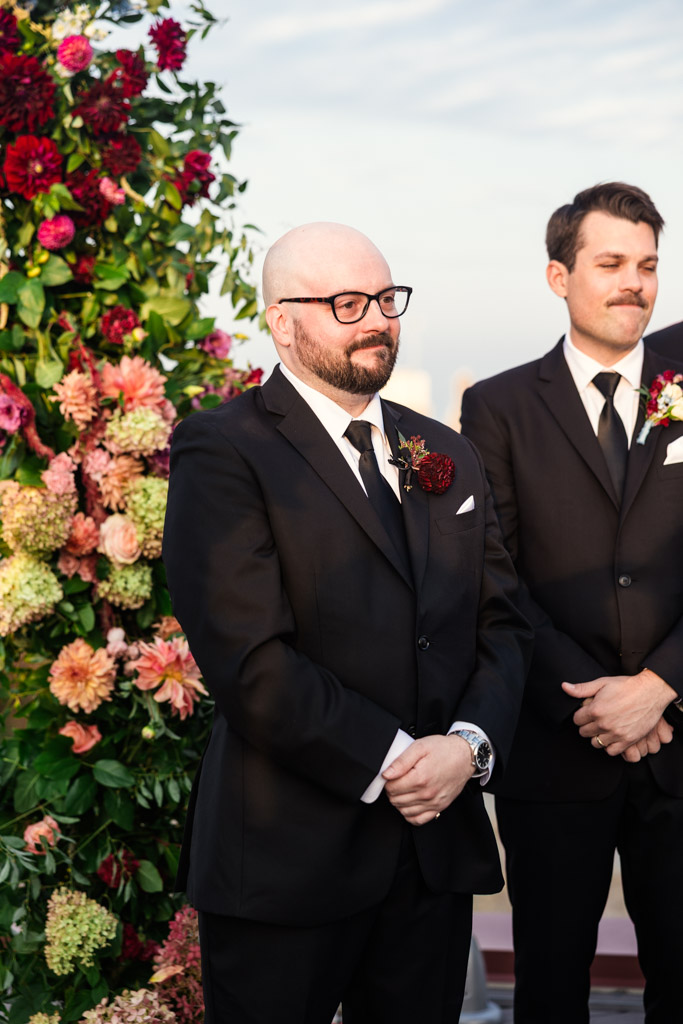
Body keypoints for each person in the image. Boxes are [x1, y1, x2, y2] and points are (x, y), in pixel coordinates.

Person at [162, 222, 531, 1024]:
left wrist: (466, 749)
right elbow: (249, 659)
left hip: (431, 856)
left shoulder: (444, 451)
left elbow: (503, 625)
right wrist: (403, 763)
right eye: (347, 302)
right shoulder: (221, 448)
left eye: (386, 299)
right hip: (286, 858)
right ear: (282, 322)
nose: (377, 320)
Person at [460, 182, 683, 1024]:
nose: (635, 283)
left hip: (679, 737)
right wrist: (597, 705)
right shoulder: (498, 407)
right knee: (549, 985)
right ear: (559, 277)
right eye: (612, 263)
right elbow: (496, 574)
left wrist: (659, 685)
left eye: (649, 266)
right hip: (559, 748)